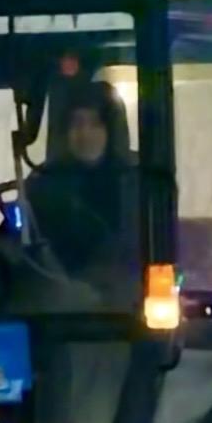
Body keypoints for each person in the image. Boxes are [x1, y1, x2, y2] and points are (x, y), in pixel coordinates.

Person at [22, 81, 140, 284]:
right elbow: (23, 247)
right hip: (50, 301)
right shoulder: (41, 184)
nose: (85, 133)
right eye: (76, 123)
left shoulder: (138, 184)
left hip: (123, 304)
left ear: (112, 130)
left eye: (95, 124)